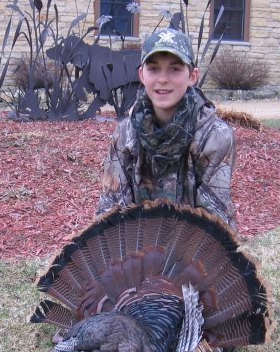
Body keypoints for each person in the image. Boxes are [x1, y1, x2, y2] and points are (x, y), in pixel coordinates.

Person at [96, 27, 237, 229]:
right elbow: (111, 210)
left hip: (195, 251)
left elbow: (214, 220)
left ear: (192, 76)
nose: (163, 79)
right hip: (136, 249)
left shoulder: (215, 136)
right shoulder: (125, 132)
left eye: (175, 69)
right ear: (142, 75)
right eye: (153, 69)